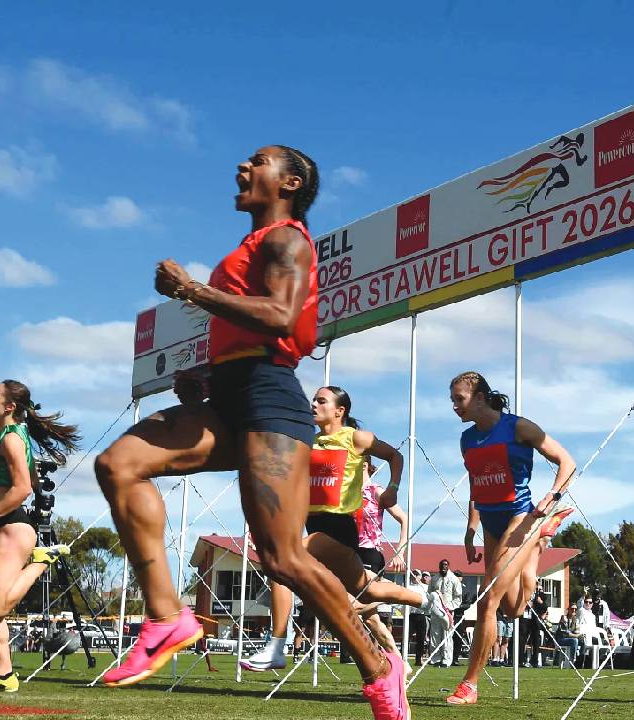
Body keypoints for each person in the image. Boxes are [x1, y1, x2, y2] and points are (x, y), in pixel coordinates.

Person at [93, 145, 408, 719]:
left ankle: (381, 669)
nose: (242, 167)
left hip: (270, 400)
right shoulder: (248, 246)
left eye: (257, 161)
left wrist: (191, 290)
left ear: (289, 183)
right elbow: (246, 332)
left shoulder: (287, 240)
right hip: (232, 394)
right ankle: (167, 617)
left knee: (282, 557)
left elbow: (283, 319)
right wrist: (207, 374)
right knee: (118, 464)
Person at [241, 389, 446, 672]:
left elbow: (395, 457)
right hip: (313, 525)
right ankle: (427, 600)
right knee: (369, 591)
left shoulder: (356, 438)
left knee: (281, 562)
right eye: (313, 400)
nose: (313, 404)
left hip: (339, 527)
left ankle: (277, 645)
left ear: (340, 411)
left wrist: (393, 489)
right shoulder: (308, 444)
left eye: (321, 400)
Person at [445, 370, 577, 706]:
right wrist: (471, 528)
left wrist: (553, 496)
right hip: (490, 522)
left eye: (458, 400)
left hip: (521, 517)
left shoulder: (518, 427)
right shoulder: (467, 440)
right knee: (513, 609)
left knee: (488, 598)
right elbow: (477, 486)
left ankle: (470, 685)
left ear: (479, 397)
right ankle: (533, 560)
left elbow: (567, 462)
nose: (454, 407)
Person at [0, 380, 80, 692]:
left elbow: (23, 488)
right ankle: (5, 677)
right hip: (1, 529)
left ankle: (42, 560)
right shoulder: (4, 436)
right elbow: (7, 480)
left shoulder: (12, 439)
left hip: (12, 528)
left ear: (9, 407)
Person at [427, 559, 462, 667]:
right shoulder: (434, 578)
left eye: (445, 565)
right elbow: (429, 593)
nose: (443, 567)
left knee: (447, 636)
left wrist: (449, 607)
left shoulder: (454, 579)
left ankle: (446, 660)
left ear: (448, 566)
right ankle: (435, 659)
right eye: (442, 565)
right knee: (435, 635)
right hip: (436, 611)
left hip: (448, 612)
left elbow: (458, 597)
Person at [410, 570, 432, 665]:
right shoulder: (408, 586)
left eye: (416, 575)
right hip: (410, 615)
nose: (414, 576)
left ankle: (418, 659)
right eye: (413, 574)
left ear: (420, 577)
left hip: (421, 615)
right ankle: (401, 659)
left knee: (421, 638)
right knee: (406, 637)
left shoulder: (425, 587)